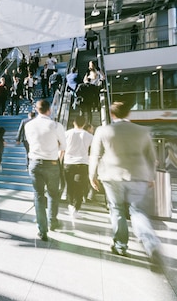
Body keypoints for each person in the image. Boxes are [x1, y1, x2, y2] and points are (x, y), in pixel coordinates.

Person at [89, 101, 161, 262]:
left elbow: (95, 155)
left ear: (112, 114)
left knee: (117, 210)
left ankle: (120, 246)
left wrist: (92, 175)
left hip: (112, 176)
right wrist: (151, 176)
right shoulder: (142, 131)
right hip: (138, 176)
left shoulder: (103, 131)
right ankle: (151, 245)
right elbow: (152, 157)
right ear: (129, 114)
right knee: (138, 211)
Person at [24, 99, 66, 241]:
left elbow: (30, 142)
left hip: (35, 163)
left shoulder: (28, 125)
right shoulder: (56, 126)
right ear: (49, 110)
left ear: (36, 110)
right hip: (52, 164)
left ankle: (42, 230)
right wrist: (54, 148)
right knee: (53, 194)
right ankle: (52, 221)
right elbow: (64, 146)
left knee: (38, 196)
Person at [63, 115, 94, 221]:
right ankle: (76, 208)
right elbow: (94, 151)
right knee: (80, 188)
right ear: (84, 124)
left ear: (73, 123)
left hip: (68, 163)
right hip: (83, 164)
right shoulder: (89, 136)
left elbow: (62, 149)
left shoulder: (66, 134)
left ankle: (70, 205)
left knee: (70, 186)